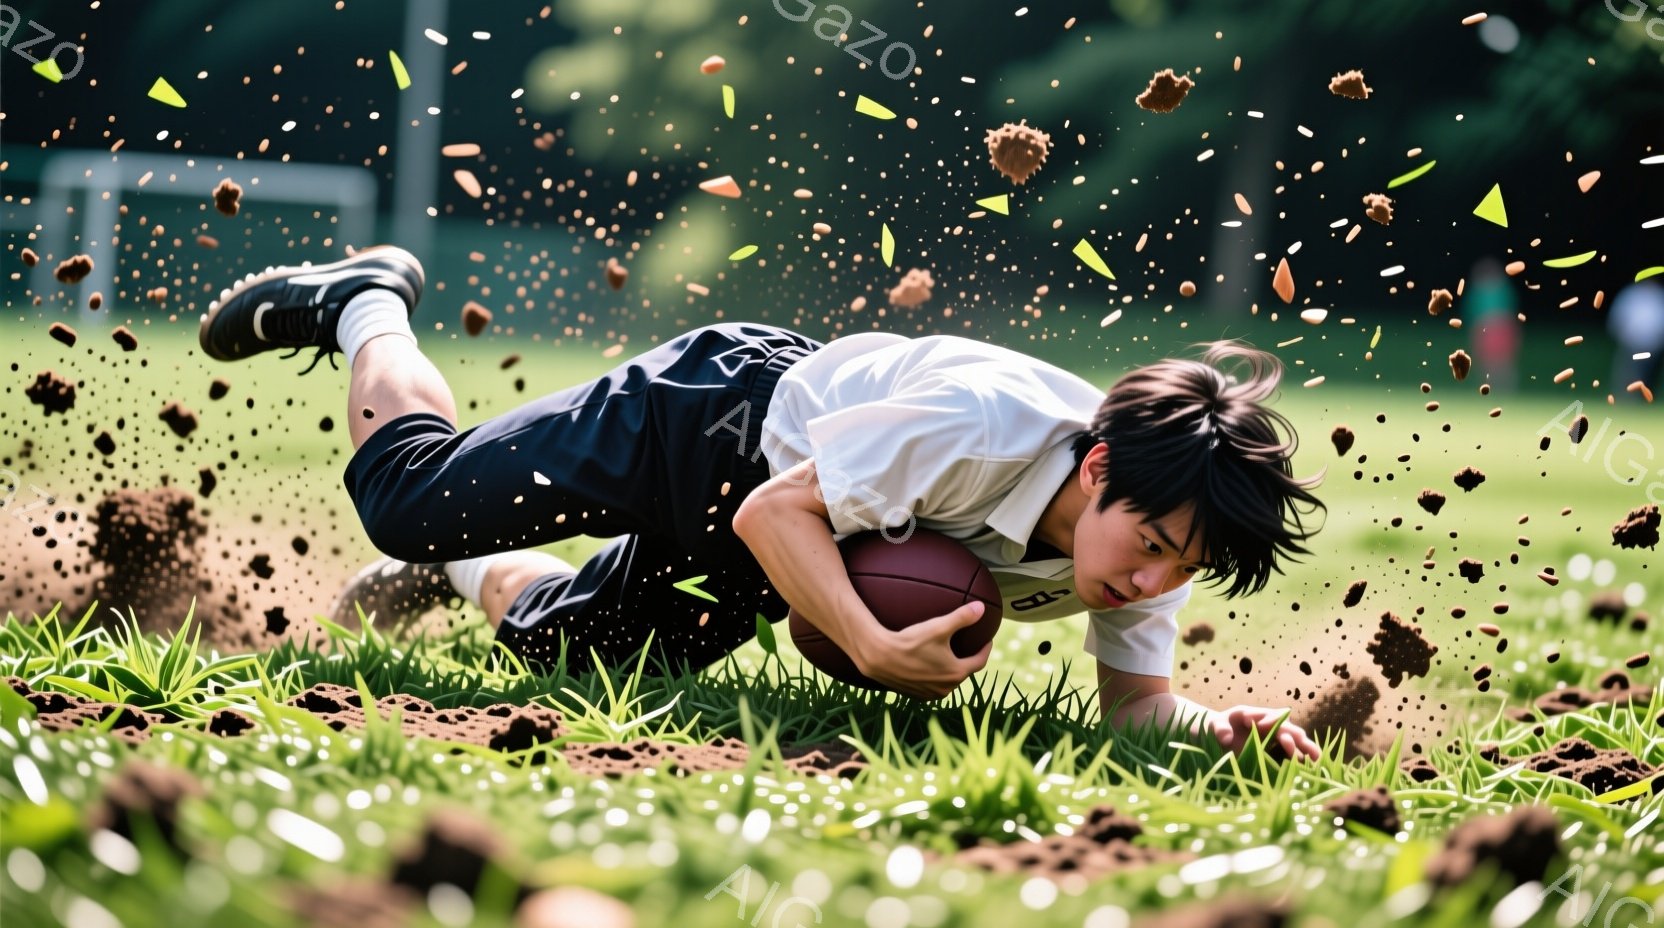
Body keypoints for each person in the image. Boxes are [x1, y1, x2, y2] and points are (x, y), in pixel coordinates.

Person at [198, 247, 1326, 759]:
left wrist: (1218, 729)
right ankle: (363, 304)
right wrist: (868, 643)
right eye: (1152, 550)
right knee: (409, 497)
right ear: (1094, 472)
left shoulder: (1163, 524)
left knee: (566, 655)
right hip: (722, 422)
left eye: (1182, 569)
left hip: (794, 527)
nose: (1149, 581)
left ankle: (442, 578)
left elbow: (1136, 704)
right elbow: (770, 514)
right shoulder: (984, 423)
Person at [1466, 257, 1521, 393]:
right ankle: (1488, 389)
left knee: (1503, 362)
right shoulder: (1477, 293)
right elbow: (1472, 314)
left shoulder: (1504, 291)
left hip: (1501, 328)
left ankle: (1505, 390)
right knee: (1486, 362)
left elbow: (1510, 313)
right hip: (1484, 330)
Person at [1607, 280, 1664, 400]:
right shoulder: (1631, 295)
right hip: (1631, 345)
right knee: (1628, 374)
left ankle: (1645, 402)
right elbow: (1618, 318)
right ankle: (1625, 399)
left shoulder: (1659, 296)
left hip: (1652, 347)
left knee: (1648, 378)